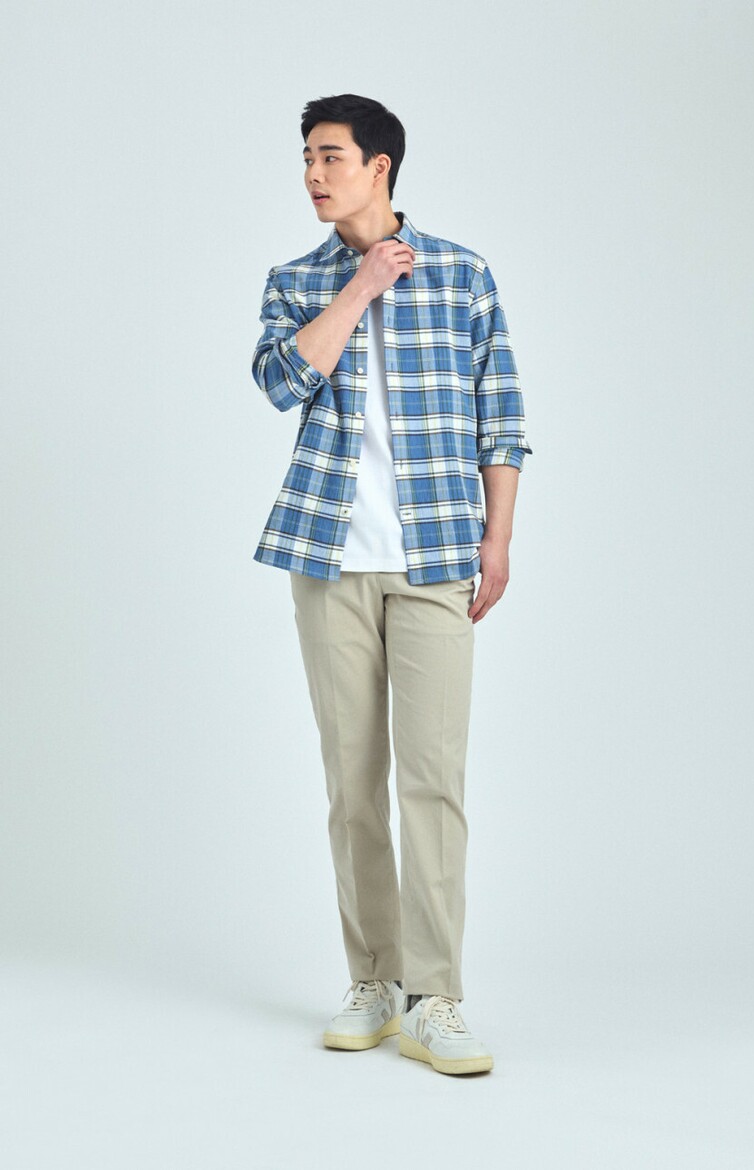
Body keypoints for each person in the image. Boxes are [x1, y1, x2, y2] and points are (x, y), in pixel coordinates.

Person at [250, 94, 532, 1076]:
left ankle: (435, 997)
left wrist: (498, 541)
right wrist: (363, 284)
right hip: (327, 560)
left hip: (436, 558)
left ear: (380, 166)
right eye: (306, 157)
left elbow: (502, 416)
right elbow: (281, 384)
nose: (312, 174)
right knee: (353, 785)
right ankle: (373, 980)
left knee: (432, 783)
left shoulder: (462, 274)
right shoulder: (296, 281)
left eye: (330, 156)